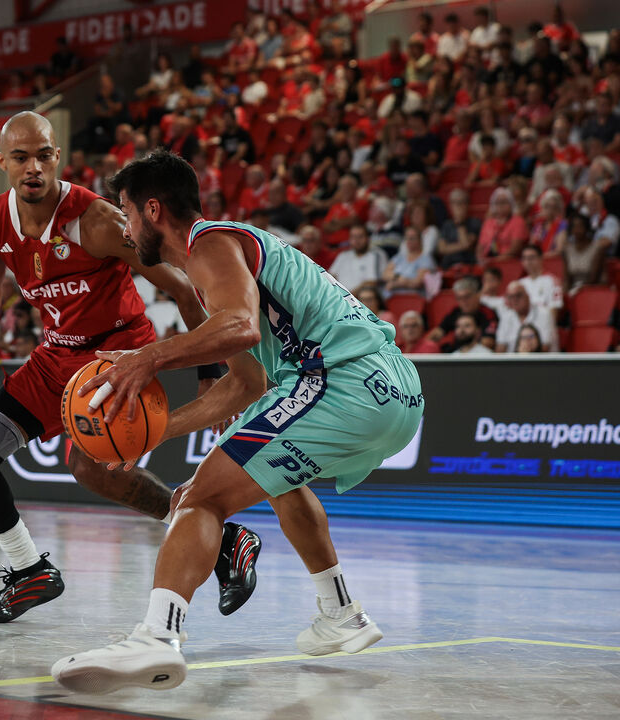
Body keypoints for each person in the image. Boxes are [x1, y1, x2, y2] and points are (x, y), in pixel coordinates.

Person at [52, 150, 423, 693]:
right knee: (275, 475)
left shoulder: (211, 244)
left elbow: (242, 326)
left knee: (198, 499)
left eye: (127, 213)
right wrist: (151, 432)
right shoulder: (221, 258)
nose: (126, 230)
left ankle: (157, 637)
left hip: (342, 380)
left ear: (153, 210)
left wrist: (148, 358)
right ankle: (341, 614)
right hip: (392, 390)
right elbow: (246, 384)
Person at [0, 113, 263, 625]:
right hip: (55, 356)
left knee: (90, 469)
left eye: (43, 154)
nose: (33, 167)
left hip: (116, 354)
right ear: (3, 163)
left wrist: (211, 370)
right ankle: (29, 571)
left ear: (56, 156)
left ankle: (220, 537)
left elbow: (178, 285)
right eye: (20, 157)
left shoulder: (97, 222)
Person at [428, 276, 498, 350]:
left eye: (467, 297)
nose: (463, 302)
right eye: (459, 298)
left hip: (478, 355)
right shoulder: (456, 311)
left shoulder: (488, 313)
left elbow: (488, 343)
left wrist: (466, 351)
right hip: (457, 353)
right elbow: (437, 333)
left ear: (478, 295)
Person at [495, 282, 558, 353]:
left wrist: (523, 357)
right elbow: (500, 348)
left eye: (518, 295)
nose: (514, 300)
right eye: (510, 297)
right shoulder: (506, 316)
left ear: (527, 296)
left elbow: (544, 348)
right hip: (514, 362)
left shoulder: (544, 314)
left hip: (541, 361)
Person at [329, 225, 386, 294]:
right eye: (353, 237)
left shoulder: (375, 255)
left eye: (360, 236)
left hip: (361, 300)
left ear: (368, 238)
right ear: (349, 239)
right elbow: (331, 276)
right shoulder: (343, 255)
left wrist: (349, 296)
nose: (357, 240)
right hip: (340, 297)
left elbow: (372, 282)